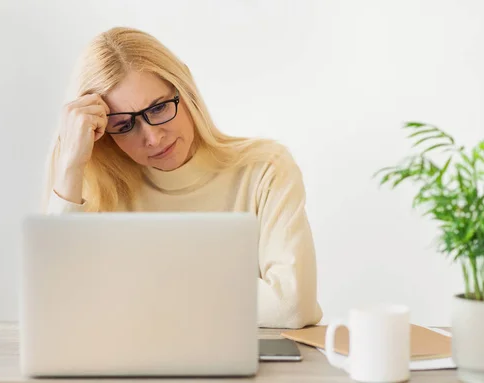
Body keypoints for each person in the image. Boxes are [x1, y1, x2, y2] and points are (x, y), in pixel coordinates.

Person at [43, 27, 322, 329]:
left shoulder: (265, 169)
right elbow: (55, 304)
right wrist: (70, 165)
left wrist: (136, 292)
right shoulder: (95, 189)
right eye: (124, 124)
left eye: (160, 107)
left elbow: (292, 306)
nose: (152, 137)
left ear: (185, 91)